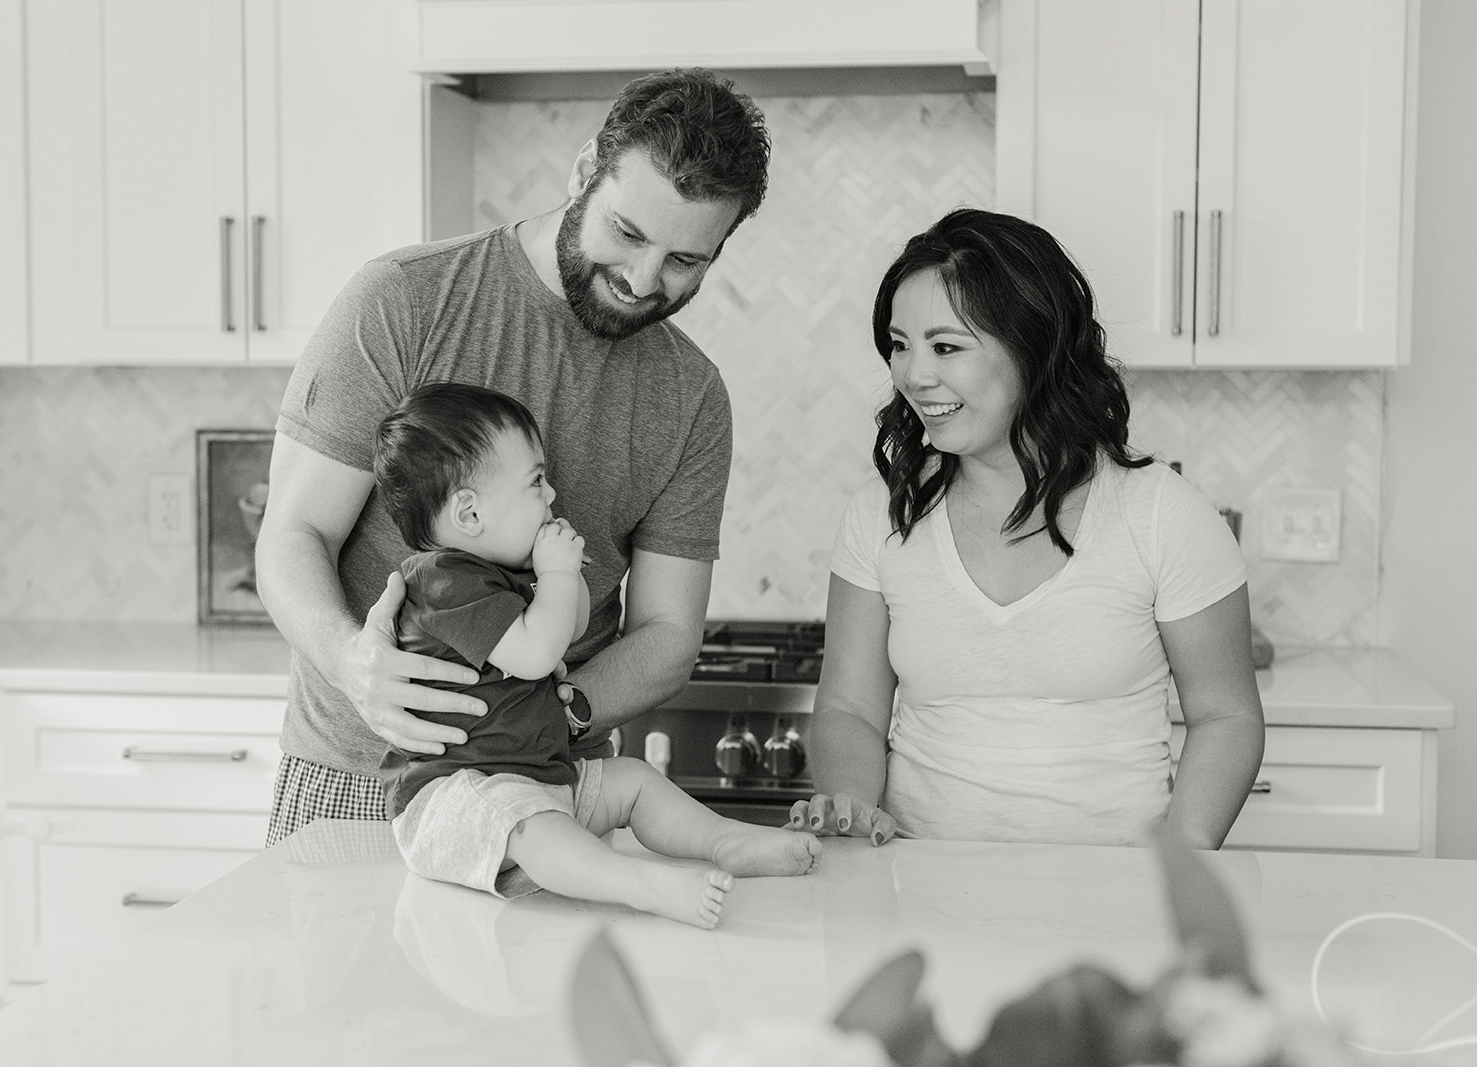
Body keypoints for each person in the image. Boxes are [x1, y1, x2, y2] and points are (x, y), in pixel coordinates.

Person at [255, 68, 772, 846]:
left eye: (684, 261)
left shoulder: (691, 396)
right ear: (583, 170)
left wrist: (546, 714)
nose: (642, 279)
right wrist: (350, 661)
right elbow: (292, 535)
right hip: (356, 782)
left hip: (549, 799)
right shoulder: (404, 300)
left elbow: (667, 633)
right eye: (628, 233)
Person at [789, 208, 1265, 851]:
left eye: (946, 346)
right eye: (900, 345)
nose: (914, 375)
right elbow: (850, 709)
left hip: (1115, 900)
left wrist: (1180, 858)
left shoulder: (1163, 515)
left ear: (1032, 348)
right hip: (920, 885)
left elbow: (1226, 717)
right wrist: (850, 804)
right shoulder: (881, 513)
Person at [374, 383, 819, 927]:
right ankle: (640, 885)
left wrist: (561, 575)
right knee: (535, 825)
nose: (552, 494)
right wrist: (556, 574)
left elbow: (571, 626)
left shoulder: (502, 574)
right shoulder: (443, 583)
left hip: (531, 778)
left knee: (631, 780)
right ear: (469, 513)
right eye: (536, 481)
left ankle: (727, 840)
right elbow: (538, 655)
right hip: (458, 796)